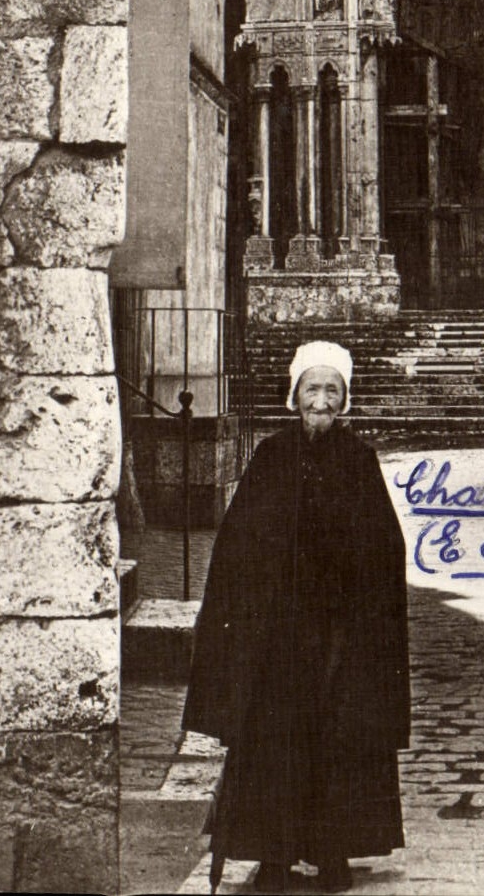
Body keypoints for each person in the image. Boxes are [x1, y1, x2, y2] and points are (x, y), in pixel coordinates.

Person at [183, 341, 410, 895]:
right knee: (273, 744)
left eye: (333, 391)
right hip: (276, 638)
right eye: (313, 389)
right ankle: (275, 858)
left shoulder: (359, 459)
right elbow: (237, 546)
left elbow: (385, 546)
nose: (322, 401)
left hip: (339, 635)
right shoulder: (271, 456)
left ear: (345, 399)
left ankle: (332, 855)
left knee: (338, 743)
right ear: (295, 396)